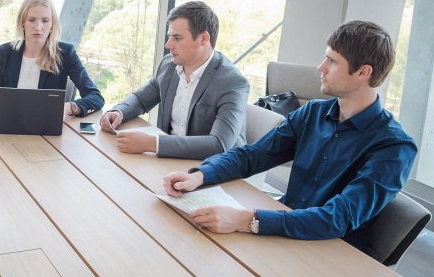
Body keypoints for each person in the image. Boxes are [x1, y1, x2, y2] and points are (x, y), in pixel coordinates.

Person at [162, 21, 417, 251]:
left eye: (332, 61)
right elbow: (254, 155)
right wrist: (200, 175)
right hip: (282, 232)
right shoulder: (313, 113)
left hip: (330, 252)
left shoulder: (394, 146)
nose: (321, 67)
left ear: (363, 72)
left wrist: (245, 219)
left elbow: (337, 218)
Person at [99, 1, 249, 159]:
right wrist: (119, 112)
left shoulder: (232, 83)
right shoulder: (168, 65)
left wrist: (153, 143)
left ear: (204, 38)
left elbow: (219, 145)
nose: (168, 44)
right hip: (171, 160)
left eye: (177, 38)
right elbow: (141, 99)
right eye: (169, 37)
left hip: (216, 169)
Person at [0, 0, 104, 117]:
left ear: (52, 25)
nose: (38, 27)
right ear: (22, 22)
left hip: (46, 129)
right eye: (32, 20)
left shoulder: (65, 54)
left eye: (45, 21)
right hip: (8, 126)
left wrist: (70, 107)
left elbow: (96, 97)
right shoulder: (5, 52)